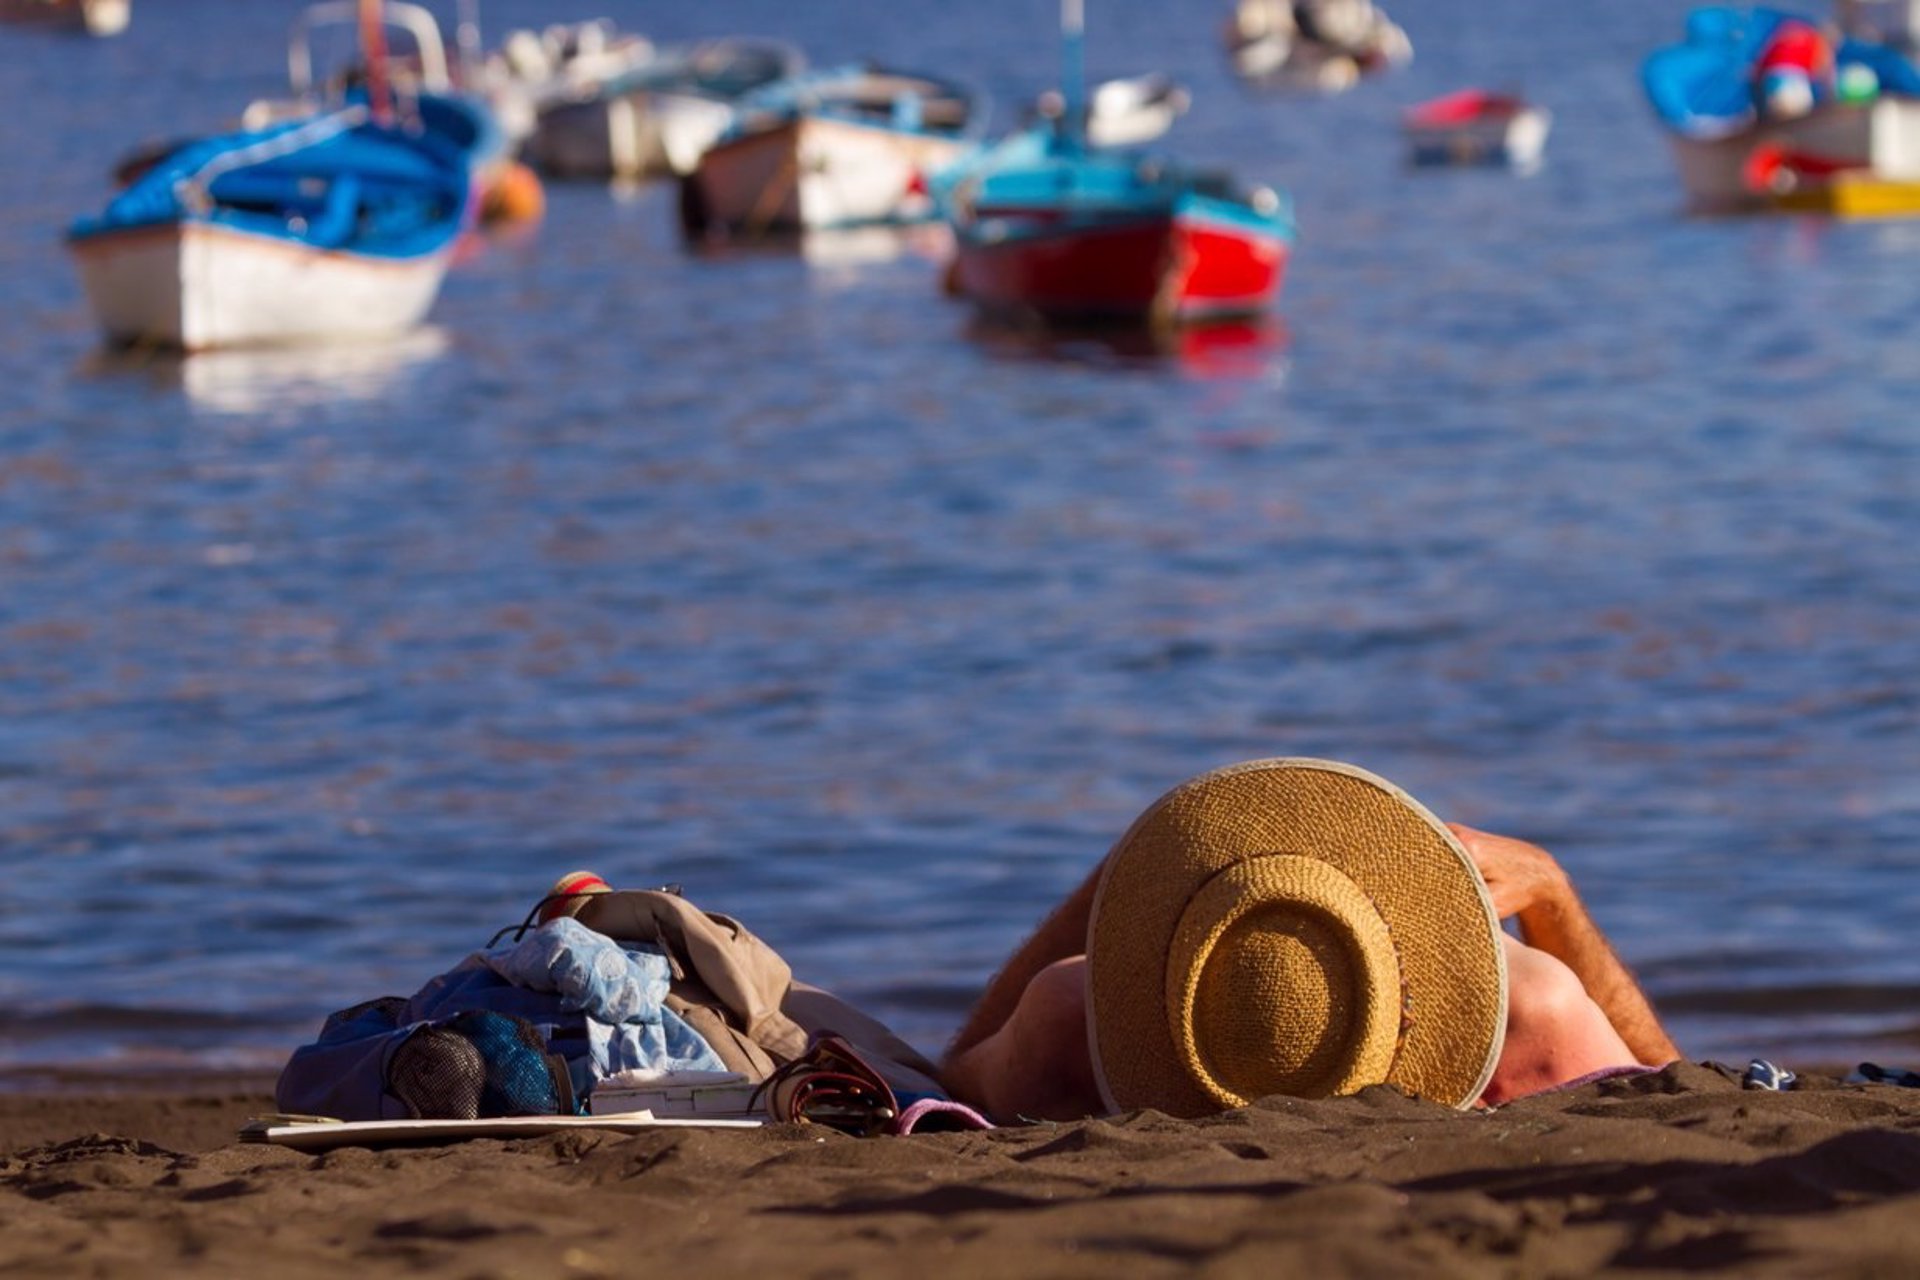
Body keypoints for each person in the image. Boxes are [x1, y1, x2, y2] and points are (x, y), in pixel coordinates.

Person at [940, 759, 1680, 1124]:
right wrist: (1551, 890)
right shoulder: (1530, 1010)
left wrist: (1113, 886)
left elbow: (949, 1073)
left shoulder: (1070, 1016)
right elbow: (1676, 1080)